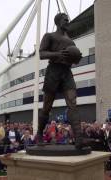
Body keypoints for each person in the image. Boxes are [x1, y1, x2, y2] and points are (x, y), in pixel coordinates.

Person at [37, 13, 85, 149]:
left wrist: (77, 59)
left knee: (73, 103)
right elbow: (41, 53)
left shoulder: (71, 42)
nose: (67, 21)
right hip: (53, 71)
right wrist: (57, 54)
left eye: (68, 19)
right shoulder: (49, 36)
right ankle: (39, 134)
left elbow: (73, 58)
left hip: (66, 72)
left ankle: (79, 138)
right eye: (65, 20)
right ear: (58, 21)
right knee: (47, 106)